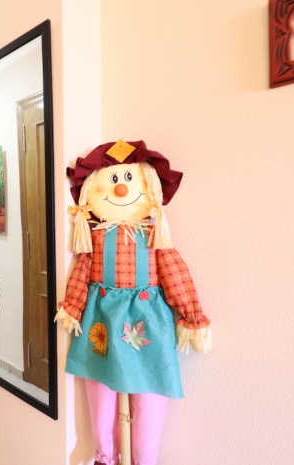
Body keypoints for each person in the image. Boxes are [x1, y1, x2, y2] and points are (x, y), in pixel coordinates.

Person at [56, 140, 213, 465]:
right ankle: (105, 455)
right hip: (101, 322)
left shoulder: (155, 237)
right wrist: (71, 307)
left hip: (146, 325)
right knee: (100, 395)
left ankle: (143, 458)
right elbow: (82, 274)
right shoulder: (95, 239)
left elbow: (174, 274)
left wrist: (192, 315)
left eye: (129, 180)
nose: (121, 189)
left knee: (149, 398)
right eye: (113, 181)